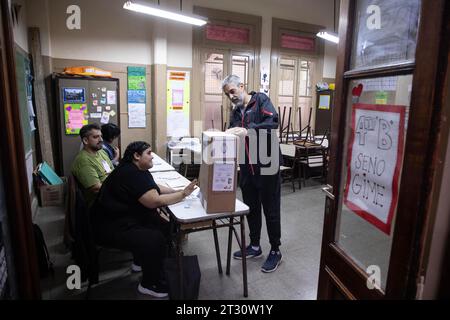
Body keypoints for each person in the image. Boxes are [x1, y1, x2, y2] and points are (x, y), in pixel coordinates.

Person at [91, 141, 197, 298]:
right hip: (110, 227)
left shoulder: (135, 169)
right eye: (149, 153)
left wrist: (178, 190)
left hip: (119, 218)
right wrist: (183, 195)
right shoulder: (131, 174)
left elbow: (155, 187)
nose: (152, 156)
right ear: (136, 156)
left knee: (162, 225)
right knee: (155, 238)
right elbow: (154, 200)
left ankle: (141, 261)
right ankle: (149, 284)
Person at [222, 74, 282, 273]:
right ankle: (255, 246)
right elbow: (232, 132)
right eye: (227, 94)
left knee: (271, 209)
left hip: (267, 165)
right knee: (252, 208)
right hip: (247, 167)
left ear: (242, 86)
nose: (231, 96)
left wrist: (248, 130)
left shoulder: (260, 100)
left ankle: (275, 250)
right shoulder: (236, 112)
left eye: (232, 91)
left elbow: (273, 121)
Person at [71, 123, 114, 208]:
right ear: (85, 141)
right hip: (100, 203)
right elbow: (96, 188)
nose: (101, 139)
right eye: (96, 137)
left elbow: (113, 171)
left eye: (101, 136)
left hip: (111, 192)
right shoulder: (83, 160)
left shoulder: (101, 152)